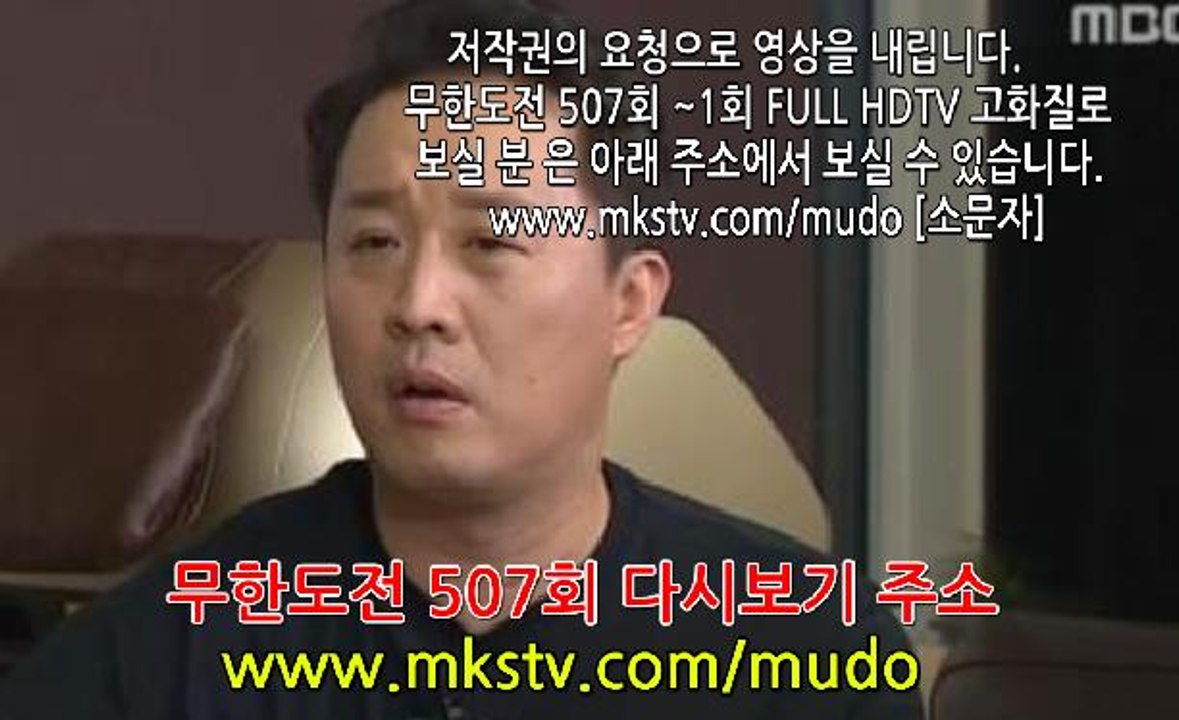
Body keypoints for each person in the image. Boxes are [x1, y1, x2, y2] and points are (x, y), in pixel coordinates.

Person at [0, 0, 923, 717]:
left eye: (489, 243)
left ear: (628, 303)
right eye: (374, 244)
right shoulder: (167, 650)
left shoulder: (806, 646)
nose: (417, 305)